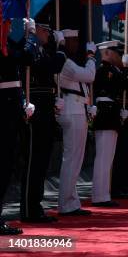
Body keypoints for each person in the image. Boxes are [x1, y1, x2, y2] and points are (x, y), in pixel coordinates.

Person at [20, 20, 65, 223]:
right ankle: (29, 209)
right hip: (35, 108)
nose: (48, 34)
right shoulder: (31, 48)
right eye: (45, 30)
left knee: (42, 161)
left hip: (45, 107)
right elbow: (52, 66)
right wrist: (61, 50)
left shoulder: (41, 49)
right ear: (36, 30)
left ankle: (35, 206)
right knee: (33, 161)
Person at [0, 19, 37, 235]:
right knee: (3, 165)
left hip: (9, 108)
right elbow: (25, 57)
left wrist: (22, 101)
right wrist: (30, 35)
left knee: (7, 165)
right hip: (4, 111)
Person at [57, 29, 97, 216]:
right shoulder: (66, 63)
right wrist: (91, 57)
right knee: (72, 158)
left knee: (75, 159)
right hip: (71, 111)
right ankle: (66, 204)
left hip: (78, 109)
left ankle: (71, 202)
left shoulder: (70, 62)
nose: (75, 45)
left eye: (76, 41)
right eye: (71, 41)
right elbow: (89, 76)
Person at [92, 41, 128, 207]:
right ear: (108, 53)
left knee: (107, 157)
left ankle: (104, 194)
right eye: (116, 53)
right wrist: (126, 69)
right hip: (106, 115)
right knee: (103, 158)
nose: (118, 56)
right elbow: (123, 83)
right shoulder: (104, 70)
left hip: (111, 115)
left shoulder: (112, 70)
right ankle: (99, 195)